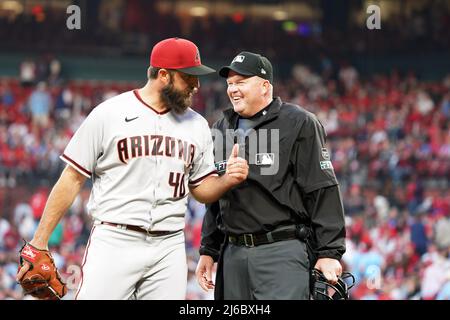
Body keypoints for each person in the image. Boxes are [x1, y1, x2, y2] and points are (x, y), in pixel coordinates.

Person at [16, 38, 249, 300]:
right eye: (189, 77)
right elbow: (71, 178)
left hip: (169, 246)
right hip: (115, 239)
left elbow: (201, 189)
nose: (197, 85)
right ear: (163, 75)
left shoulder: (197, 125)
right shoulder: (110, 113)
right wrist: (39, 241)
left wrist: (227, 180)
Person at [195, 51, 346, 300]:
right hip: (232, 254)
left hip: (281, 251)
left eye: (241, 82)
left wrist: (329, 252)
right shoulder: (221, 127)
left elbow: (322, 188)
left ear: (265, 86)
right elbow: (215, 196)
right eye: (230, 83)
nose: (232, 89)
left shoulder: (299, 123)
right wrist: (208, 249)